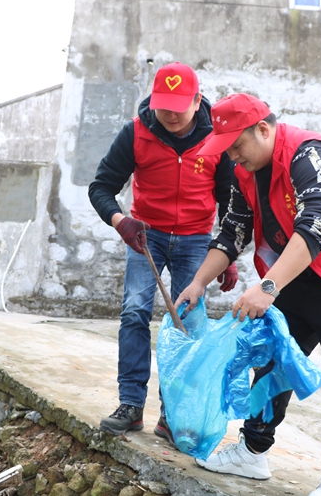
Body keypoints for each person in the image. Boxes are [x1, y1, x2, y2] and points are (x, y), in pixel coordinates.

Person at [175, 93, 321, 496]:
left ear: (263, 129)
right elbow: (233, 229)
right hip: (297, 269)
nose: (232, 157)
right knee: (272, 356)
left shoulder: (311, 155)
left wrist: (268, 287)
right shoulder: (245, 170)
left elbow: (316, 226)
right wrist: (199, 282)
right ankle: (252, 451)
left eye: (236, 146)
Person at [88, 62, 237, 440]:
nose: (170, 114)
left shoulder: (216, 138)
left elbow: (230, 200)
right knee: (134, 311)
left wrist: (227, 253)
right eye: (163, 106)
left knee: (187, 322)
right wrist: (120, 221)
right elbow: (101, 187)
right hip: (145, 236)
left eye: (179, 107)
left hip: (196, 239)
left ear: (198, 101)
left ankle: (173, 414)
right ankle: (130, 404)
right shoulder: (135, 133)